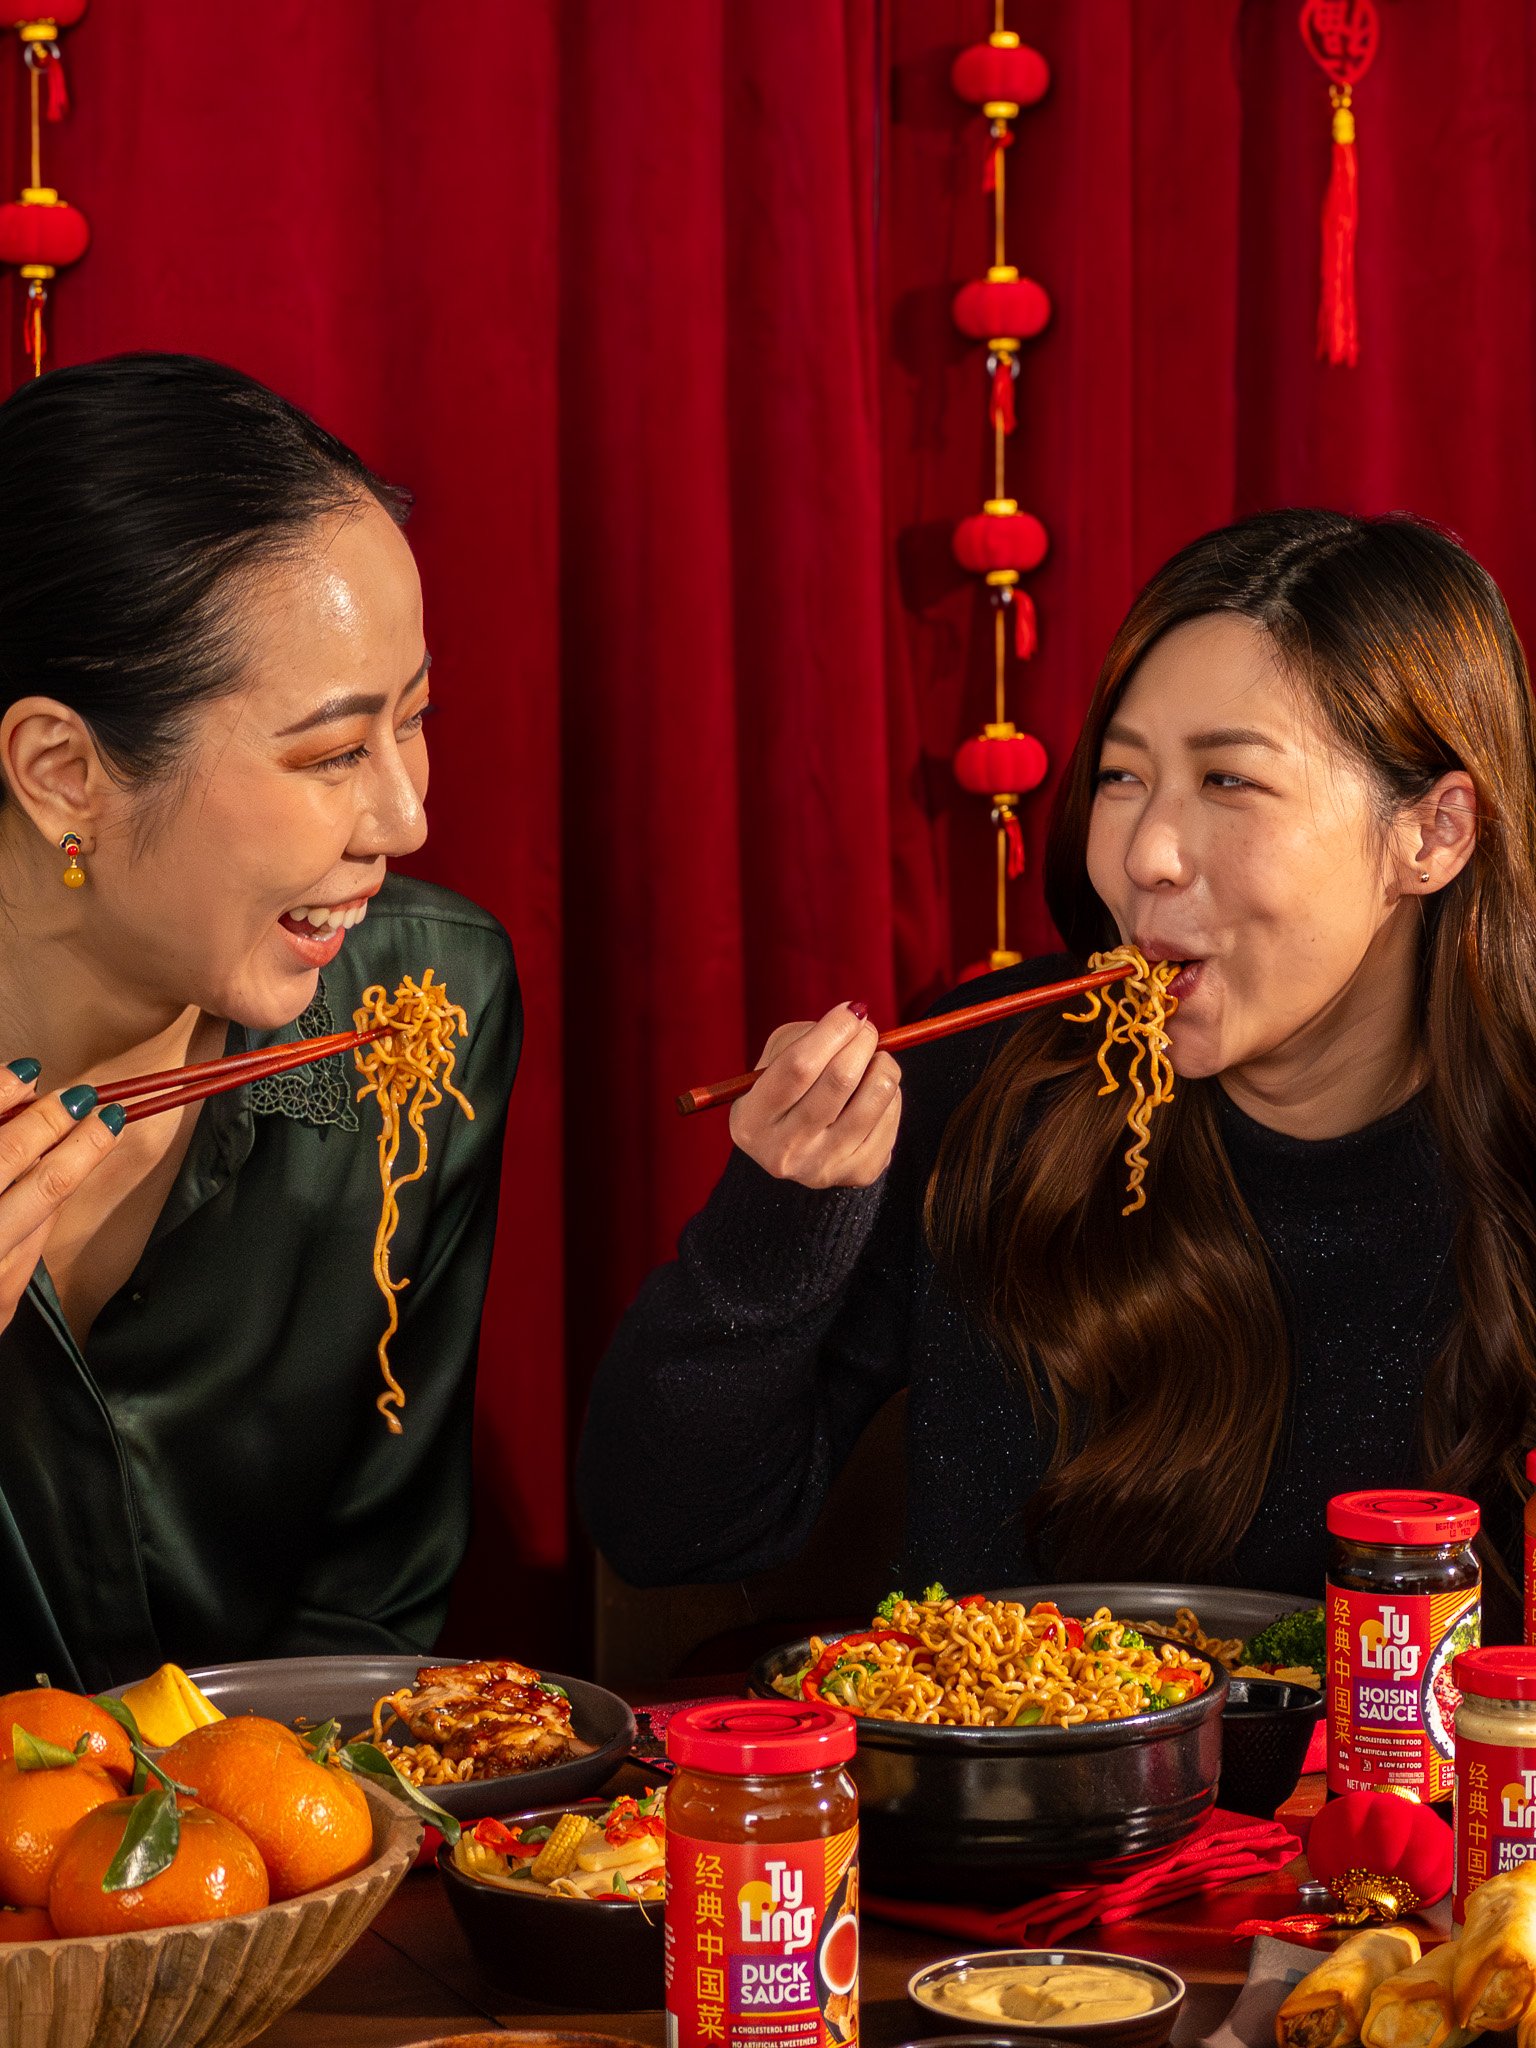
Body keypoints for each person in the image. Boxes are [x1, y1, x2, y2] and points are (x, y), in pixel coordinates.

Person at [579, 509, 1535, 1628]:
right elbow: (666, 1527)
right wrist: (782, 1215)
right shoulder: (996, 1085)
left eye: (1228, 782)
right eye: (1124, 778)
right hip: (1005, 1794)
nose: (1145, 855)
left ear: (1434, 833)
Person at [0, 353, 519, 1691]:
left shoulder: (429, 1009)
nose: (407, 819)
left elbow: (369, 1622)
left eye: (415, 725)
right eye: (334, 753)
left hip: (292, 1864)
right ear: (65, 772)